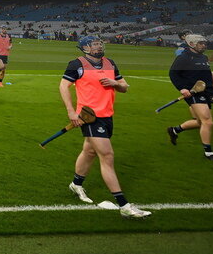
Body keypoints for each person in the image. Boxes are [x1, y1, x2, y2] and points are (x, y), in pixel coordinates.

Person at [59, 36, 150, 218]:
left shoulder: (110, 63)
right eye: (95, 44)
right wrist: (71, 112)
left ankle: (76, 184)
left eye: (100, 44)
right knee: (107, 156)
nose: (99, 47)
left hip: (107, 115)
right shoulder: (77, 64)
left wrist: (116, 84)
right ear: (85, 48)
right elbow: (63, 86)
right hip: (90, 117)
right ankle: (124, 205)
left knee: (89, 151)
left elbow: (124, 87)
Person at [166, 34, 213, 162]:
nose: (204, 45)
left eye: (204, 43)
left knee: (200, 122)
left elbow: (205, 74)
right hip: (194, 93)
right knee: (208, 122)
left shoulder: (203, 57)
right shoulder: (184, 58)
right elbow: (173, 74)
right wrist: (182, 88)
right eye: (201, 43)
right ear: (192, 44)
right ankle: (208, 153)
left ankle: (174, 130)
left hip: (205, 92)